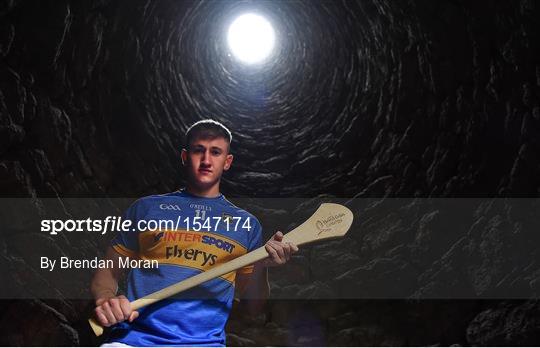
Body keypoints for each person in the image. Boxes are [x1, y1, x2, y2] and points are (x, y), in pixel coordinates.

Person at [91, 119, 298, 346]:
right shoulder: (146, 208)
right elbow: (109, 270)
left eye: (216, 152)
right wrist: (106, 299)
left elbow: (252, 307)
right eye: (199, 150)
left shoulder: (246, 225)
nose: (207, 160)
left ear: (227, 162)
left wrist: (262, 265)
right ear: (184, 157)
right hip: (131, 340)